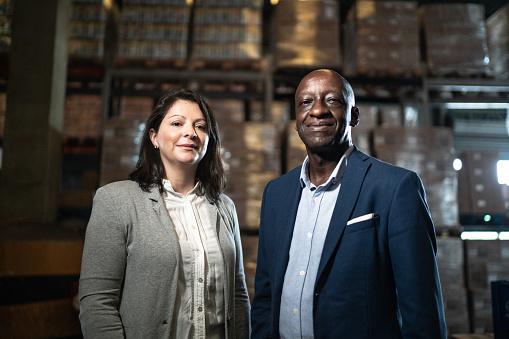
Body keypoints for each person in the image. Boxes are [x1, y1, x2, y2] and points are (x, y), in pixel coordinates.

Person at [251, 69, 447, 338]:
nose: (317, 111)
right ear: (296, 121)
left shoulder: (395, 188)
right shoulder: (276, 194)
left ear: (354, 115)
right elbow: (265, 296)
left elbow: (421, 308)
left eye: (332, 100)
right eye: (306, 102)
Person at [79, 89, 251, 338]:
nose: (190, 132)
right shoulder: (116, 201)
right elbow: (97, 303)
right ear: (154, 137)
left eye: (200, 126)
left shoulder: (225, 207)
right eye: (177, 123)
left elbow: (238, 295)